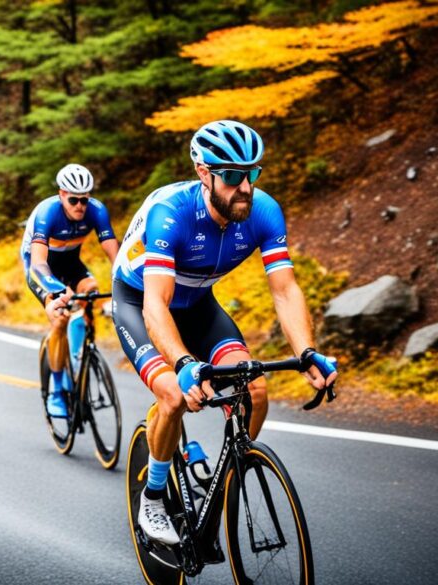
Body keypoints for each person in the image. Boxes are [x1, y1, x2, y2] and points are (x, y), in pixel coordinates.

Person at [111, 120, 338, 545]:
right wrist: (182, 365)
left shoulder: (264, 211)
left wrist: (308, 351)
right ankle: (154, 497)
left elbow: (286, 290)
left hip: (198, 304)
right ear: (204, 173)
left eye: (252, 174)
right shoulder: (172, 214)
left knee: (255, 391)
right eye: (232, 176)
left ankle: (226, 477)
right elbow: (155, 304)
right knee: (174, 396)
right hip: (139, 302)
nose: (245, 187)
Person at [20, 163, 118, 417]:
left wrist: (127, 287)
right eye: (73, 199)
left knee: (91, 289)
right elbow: (39, 263)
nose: (80, 206)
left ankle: (81, 355)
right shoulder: (47, 213)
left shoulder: (96, 211)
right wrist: (56, 290)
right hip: (41, 267)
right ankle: (56, 388)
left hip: (71, 262)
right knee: (60, 317)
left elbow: (116, 257)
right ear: (62, 194)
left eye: (84, 200)